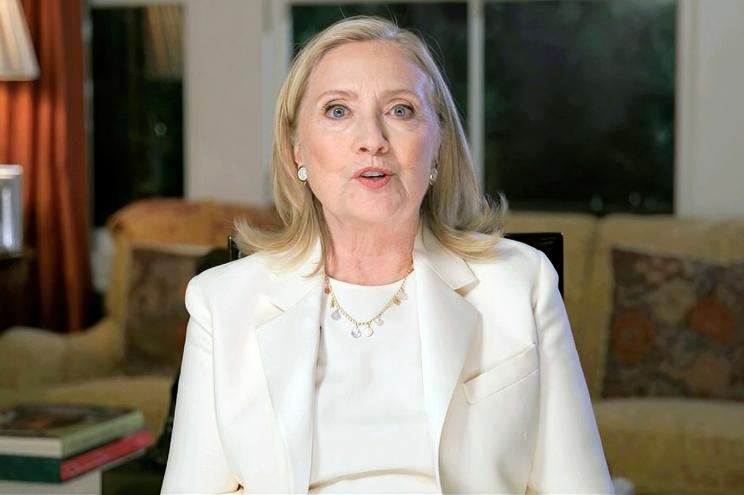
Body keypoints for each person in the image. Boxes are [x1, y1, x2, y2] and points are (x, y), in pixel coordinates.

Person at [162, 16, 614, 494]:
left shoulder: (520, 282)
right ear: (297, 149)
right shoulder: (221, 301)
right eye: (338, 111)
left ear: (437, 144)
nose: (372, 140)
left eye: (400, 111)